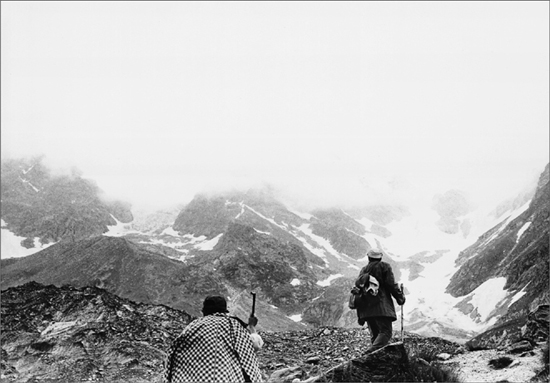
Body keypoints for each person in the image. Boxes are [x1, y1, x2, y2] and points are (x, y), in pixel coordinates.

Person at [163, 295, 263, 383]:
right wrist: (251, 327)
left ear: (204, 311)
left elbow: (173, 351)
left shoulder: (193, 326)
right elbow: (254, 345)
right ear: (224, 310)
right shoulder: (233, 325)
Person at [356, 249, 405, 353]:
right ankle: (369, 354)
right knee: (385, 332)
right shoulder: (384, 266)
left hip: (366, 309)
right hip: (381, 307)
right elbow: (390, 285)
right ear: (380, 257)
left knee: (375, 335)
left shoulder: (363, 270)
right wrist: (400, 298)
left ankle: (373, 361)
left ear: (368, 258)